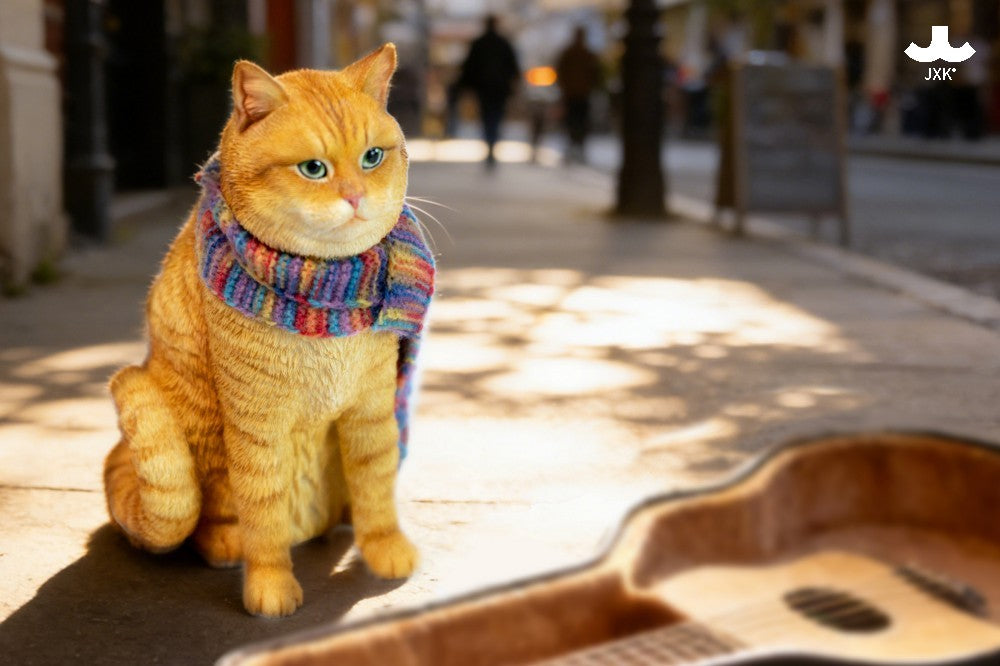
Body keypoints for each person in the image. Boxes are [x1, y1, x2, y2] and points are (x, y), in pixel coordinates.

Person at [455, 15, 521, 167]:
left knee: (488, 117)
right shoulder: (503, 43)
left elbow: (469, 67)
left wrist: (465, 86)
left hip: (485, 88)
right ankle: (492, 143)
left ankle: (490, 143)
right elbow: (513, 68)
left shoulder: (480, 43)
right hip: (498, 89)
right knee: (495, 116)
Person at [556, 26, 601, 163]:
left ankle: (576, 145)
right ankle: (576, 145)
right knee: (577, 120)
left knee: (576, 120)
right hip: (577, 92)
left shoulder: (579, 53)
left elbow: (595, 73)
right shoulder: (582, 54)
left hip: (577, 92)